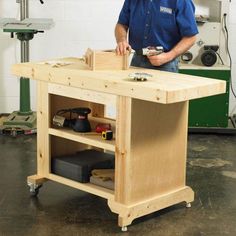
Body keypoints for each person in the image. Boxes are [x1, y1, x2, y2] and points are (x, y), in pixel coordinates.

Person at [115, 0, 198, 72]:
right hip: (135, 60)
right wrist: (122, 40)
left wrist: (168, 56)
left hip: (165, 64)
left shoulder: (181, 1)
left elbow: (191, 38)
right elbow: (121, 24)